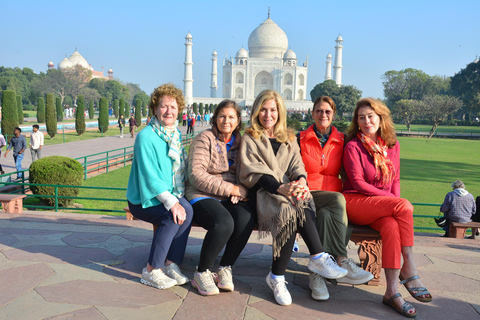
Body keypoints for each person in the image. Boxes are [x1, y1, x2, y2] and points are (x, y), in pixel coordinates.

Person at [238, 90, 347, 306]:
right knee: (290, 210)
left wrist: (302, 181)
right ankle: (309, 262)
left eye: (273, 110)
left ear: (280, 112)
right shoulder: (251, 137)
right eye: (263, 110)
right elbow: (253, 172)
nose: (268, 115)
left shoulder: (287, 137)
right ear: (256, 111)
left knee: (300, 200)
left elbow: (297, 164)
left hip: (288, 190)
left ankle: (287, 272)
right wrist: (280, 188)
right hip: (264, 193)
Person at [342, 98, 432, 318]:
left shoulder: (392, 145)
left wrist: (393, 202)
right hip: (356, 201)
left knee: (392, 227)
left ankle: (391, 292)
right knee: (403, 206)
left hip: (383, 204)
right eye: (361, 117)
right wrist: (393, 202)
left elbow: (396, 178)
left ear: (381, 118)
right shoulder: (353, 145)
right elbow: (358, 183)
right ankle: (409, 267)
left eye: (370, 116)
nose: (366, 121)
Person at [298, 96, 373, 300]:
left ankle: (317, 275)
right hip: (307, 194)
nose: (323, 115)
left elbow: (351, 170)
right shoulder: (300, 138)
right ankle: (341, 259)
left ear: (333, 115)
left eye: (328, 112)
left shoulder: (342, 140)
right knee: (338, 201)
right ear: (312, 113)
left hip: (331, 199)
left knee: (326, 215)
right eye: (319, 111)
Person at [126, 83, 193, 290]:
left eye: (173, 107)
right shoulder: (146, 137)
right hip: (144, 198)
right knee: (171, 216)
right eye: (164, 106)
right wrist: (172, 203)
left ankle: (171, 263)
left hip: (166, 193)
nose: (169, 111)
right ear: (155, 108)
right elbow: (149, 176)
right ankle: (151, 270)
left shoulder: (172, 134)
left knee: (188, 211)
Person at [186, 99, 255, 296]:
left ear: (238, 120)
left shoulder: (240, 141)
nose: (226, 120)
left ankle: (225, 267)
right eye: (222, 116)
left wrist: (240, 189)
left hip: (228, 194)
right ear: (215, 118)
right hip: (201, 194)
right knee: (224, 223)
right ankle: (201, 272)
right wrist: (230, 189)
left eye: (231, 117)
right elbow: (196, 175)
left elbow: (247, 172)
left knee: (245, 219)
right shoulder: (204, 138)